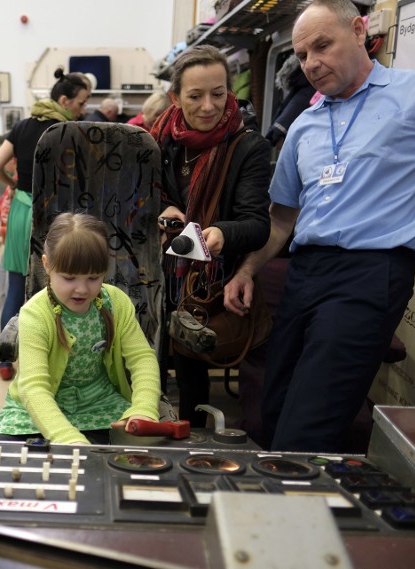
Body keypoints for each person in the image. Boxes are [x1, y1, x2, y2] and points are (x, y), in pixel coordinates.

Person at [223, 0, 415, 453]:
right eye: (302, 55)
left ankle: (300, 513)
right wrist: (246, 271)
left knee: (309, 426)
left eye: (322, 46)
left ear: (358, 30)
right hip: (305, 273)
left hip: (371, 275)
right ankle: (280, 509)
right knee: (271, 413)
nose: (311, 63)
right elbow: (281, 219)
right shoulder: (304, 125)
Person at [150, 45, 271, 428]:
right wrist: (160, 210)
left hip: (209, 283)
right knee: (147, 364)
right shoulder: (160, 142)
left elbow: (257, 224)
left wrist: (219, 233)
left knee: (191, 372)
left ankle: (192, 442)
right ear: (175, 98)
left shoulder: (248, 146)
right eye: (195, 96)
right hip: (159, 274)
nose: (208, 106)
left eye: (218, 94)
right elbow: (142, 196)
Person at [0, 213, 161, 445]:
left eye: (94, 277)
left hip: (100, 405)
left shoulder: (117, 303)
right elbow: (33, 388)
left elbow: (142, 358)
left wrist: (143, 408)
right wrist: (69, 439)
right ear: (46, 265)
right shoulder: (35, 314)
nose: (82, 289)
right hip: (35, 411)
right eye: (69, 278)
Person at [0, 68, 89, 379]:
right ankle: (48, 360)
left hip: (21, 211)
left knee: (17, 285)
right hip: (55, 216)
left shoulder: (22, 126)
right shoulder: (68, 131)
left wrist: (15, 184)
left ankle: (5, 359)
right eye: (81, 102)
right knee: (55, 288)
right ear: (64, 100)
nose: (83, 109)